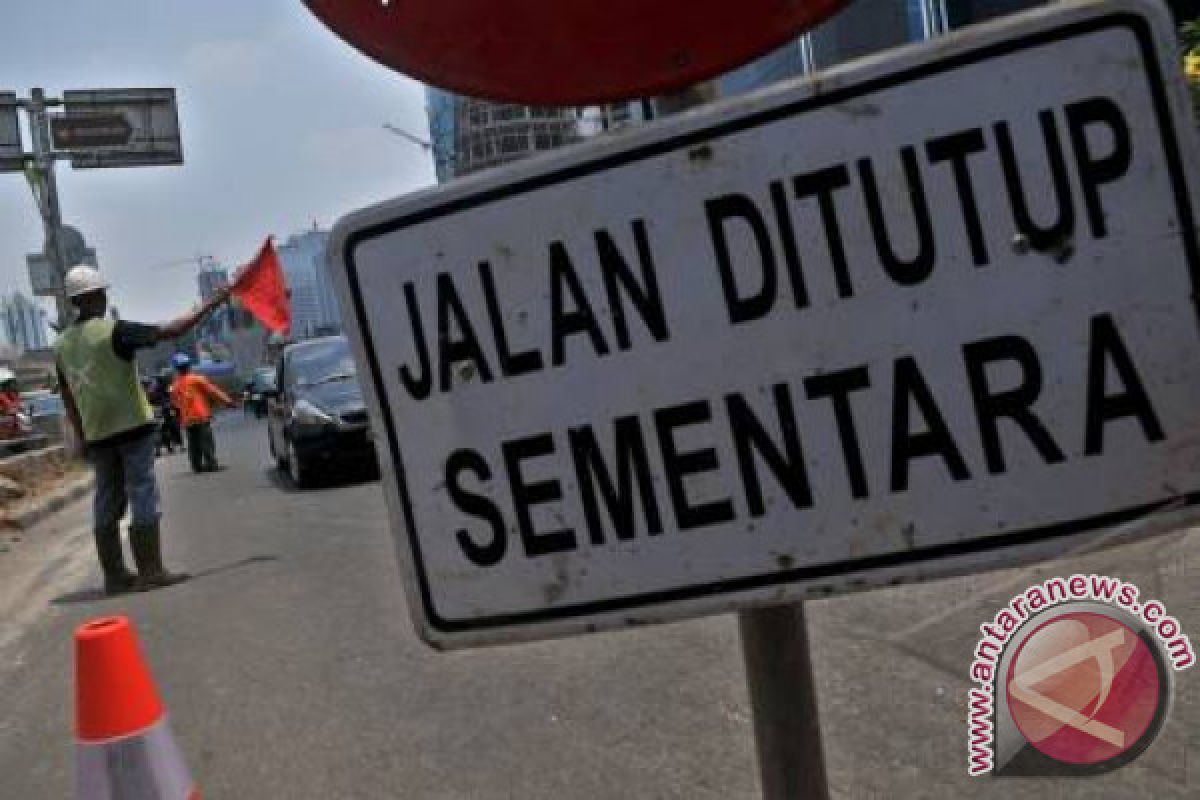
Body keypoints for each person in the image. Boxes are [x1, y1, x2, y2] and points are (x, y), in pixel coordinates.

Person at [55, 265, 230, 595]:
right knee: (142, 492)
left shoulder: (61, 345)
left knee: (106, 499)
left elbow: (68, 397)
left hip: (98, 434)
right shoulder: (115, 332)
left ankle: (115, 576)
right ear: (93, 297)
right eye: (102, 293)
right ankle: (150, 570)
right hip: (132, 427)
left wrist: (81, 437)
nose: (106, 298)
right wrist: (213, 302)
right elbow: (173, 330)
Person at [169, 353, 232, 473]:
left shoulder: (175, 385)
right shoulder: (197, 379)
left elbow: (174, 403)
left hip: (187, 419)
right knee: (206, 441)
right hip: (201, 416)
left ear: (177, 368)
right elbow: (213, 391)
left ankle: (197, 466)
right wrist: (227, 401)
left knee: (193, 444)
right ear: (188, 366)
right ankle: (212, 464)